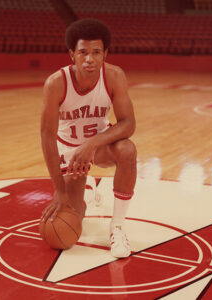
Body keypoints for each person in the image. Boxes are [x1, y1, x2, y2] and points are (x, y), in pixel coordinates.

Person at [40, 18, 137, 258]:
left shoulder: (114, 76)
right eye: (83, 52)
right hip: (68, 152)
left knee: (127, 150)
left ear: (106, 53)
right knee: (69, 227)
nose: (89, 59)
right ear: (72, 54)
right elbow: (47, 136)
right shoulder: (55, 83)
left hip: (99, 147)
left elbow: (128, 123)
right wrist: (59, 190)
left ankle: (117, 227)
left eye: (96, 52)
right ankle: (84, 190)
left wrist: (92, 143)